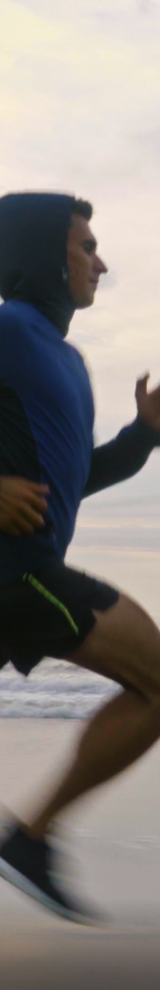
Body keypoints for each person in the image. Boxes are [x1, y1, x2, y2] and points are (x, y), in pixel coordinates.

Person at [0, 191, 160, 924]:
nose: (102, 261)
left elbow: (72, 477)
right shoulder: (6, 329)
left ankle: (30, 841)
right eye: (86, 246)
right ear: (43, 256)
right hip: (17, 570)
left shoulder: (63, 357)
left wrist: (144, 435)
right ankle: (30, 841)